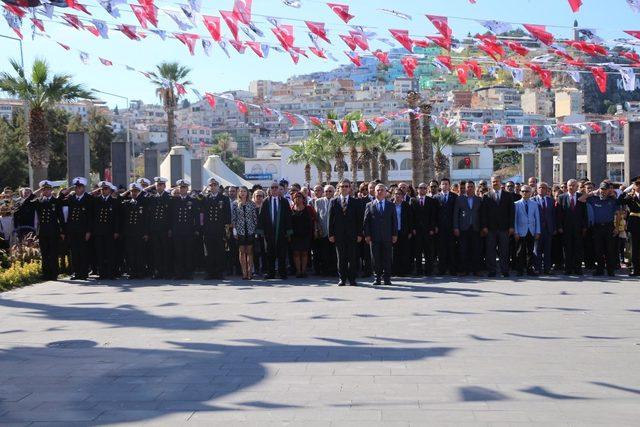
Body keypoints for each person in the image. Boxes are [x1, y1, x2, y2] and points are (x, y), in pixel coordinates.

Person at [579, 182, 622, 276]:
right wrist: (593, 192)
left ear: (608, 190)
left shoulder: (613, 200)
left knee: (609, 250)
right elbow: (581, 199)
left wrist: (617, 228)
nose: (603, 191)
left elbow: (618, 214)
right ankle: (600, 269)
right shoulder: (594, 199)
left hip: (609, 227)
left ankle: (610, 270)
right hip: (597, 227)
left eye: (605, 189)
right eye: (602, 189)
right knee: (598, 250)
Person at [329, 179, 363, 286]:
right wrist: (331, 234)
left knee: (352, 258)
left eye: (346, 186)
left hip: (352, 235)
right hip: (339, 235)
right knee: (341, 258)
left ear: (350, 188)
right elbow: (330, 220)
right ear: (338, 188)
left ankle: (352, 279)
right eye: (342, 186)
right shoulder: (334, 201)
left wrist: (359, 234)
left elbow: (359, 220)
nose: (344, 188)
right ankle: (342, 279)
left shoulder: (356, 202)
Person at [363, 184, 398, 286]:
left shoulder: (391, 205)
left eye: (382, 190)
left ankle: (387, 278)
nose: (380, 192)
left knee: (387, 258)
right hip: (374, 237)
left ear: (385, 192)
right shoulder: (369, 205)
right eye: (378, 190)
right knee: (376, 258)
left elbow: (394, 221)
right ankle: (377, 277)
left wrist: (394, 234)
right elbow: (366, 222)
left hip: (387, 236)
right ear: (375, 192)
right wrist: (367, 235)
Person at [257, 181, 293, 280]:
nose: (274, 189)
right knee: (270, 254)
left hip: (281, 232)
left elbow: (288, 217)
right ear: (269, 189)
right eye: (272, 188)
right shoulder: (265, 201)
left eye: (276, 188)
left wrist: (288, 232)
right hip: (269, 232)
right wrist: (260, 231)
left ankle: (282, 273)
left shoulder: (284, 201)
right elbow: (261, 217)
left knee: (282, 254)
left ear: (279, 189)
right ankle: (271, 273)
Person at [480, 176, 515, 277]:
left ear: (501, 183)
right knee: (490, 251)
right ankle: (492, 270)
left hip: (504, 228)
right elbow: (483, 213)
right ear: (491, 183)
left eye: (497, 181)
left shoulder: (508, 195)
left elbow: (511, 212)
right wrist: (484, 226)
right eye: (493, 182)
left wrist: (511, 226)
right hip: (490, 229)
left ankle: (505, 270)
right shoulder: (486, 196)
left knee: (504, 250)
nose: (495, 183)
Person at [60, 177, 93, 280]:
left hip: (83, 230)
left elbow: (91, 217)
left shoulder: (89, 198)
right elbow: (59, 202)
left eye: (80, 187)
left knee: (83, 252)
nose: (78, 189)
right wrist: (64, 193)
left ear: (83, 188)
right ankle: (76, 272)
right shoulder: (71, 198)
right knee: (74, 252)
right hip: (72, 229)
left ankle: (83, 273)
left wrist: (88, 231)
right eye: (76, 187)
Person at [31, 181, 63, 280]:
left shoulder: (56, 201)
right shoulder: (39, 201)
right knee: (44, 254)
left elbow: (61, 217)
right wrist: (36, 192)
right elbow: (27, 202)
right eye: (44, 189)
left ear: (51, 190)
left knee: (53, 253)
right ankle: (46, 274)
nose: (46, 191)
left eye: (48, 189)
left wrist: (62, 231)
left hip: (53, 231)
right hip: (43, 231)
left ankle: (54, 274)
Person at [201, 178, 231, 280]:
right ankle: (210, 272)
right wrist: (203, 192)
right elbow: (198, 204)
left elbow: (227, 214)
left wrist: (226, 228)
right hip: (208, 229)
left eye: (215, 185)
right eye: (211, 185)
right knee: (209, 252)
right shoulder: (205, 198)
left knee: (220, 251)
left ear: (218, 186)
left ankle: (219, 272)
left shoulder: (224, 198)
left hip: (219, 229)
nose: (213, 187)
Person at [557, 179, 588, 275]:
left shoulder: (581, 197)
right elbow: (559, 214)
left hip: (578, 228)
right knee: (567, 249)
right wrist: (559, 226)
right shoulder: (561, 197)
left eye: (573, 185)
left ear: (577, 187)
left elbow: (584, 213)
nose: (571, 187)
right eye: (569, 185)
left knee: (578, 249)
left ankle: (578, 269)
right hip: (566, 228)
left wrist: (584, 226)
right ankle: (568, 269)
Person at [170, 179, 198, 280]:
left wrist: (196, 229)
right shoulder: (174, 200)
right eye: (181, 187)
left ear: (187, 188)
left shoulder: (192, 200)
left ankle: (188, 273)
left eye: (184, 187)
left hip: (188, 230)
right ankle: (179, 273)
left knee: (188, 252)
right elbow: (171, 216)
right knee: (178, 252)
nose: (182, 189)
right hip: (177, 230)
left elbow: (196, 216)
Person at [453, 181, 482, 276]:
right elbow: (456, 214)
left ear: (474, 188)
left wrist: (482, 228)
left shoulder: (479, 199)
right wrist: (456, 227)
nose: (469, 188)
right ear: (465, 188)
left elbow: (481, 215)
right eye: (468, 187)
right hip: (463, 228)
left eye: (471, 187)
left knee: (476, 250)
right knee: (463, 250)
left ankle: (476, 270)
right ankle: (464, 270)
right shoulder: (459, 199)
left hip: (475, 228)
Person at [92, 181, 120, 280]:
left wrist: (116, 231)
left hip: (110, 232)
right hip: (99, 231)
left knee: (110, 253)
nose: (104, 191)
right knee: (100, 253)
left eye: (106, 189)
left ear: (110, 190)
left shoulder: (114, 201)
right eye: (102, 189)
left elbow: (117, 218)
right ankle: (102, 274)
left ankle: (111, 273)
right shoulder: (96, 201)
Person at [146, 177, 172, 279]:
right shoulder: (152, 197)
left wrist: (170, 229)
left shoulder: (168, 197)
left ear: (164, 186)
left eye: (161, 185)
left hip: (165, 229)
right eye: (157, 185)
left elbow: (171, 215)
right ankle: (158, 271)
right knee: (156, 251)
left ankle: (166, 272)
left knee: (165, 251)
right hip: (155, 229)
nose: (159, 187)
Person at [120, 182, 148, 279]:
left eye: (136, 191)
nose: (134, 193)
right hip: (129, 233)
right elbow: (118, 199)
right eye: (132, 191)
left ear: (139, 192)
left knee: (140, 253)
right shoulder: (127, 203)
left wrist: (145, 233)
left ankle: (141, 272)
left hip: (140, 233)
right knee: (130, 254)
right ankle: (132, 272)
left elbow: (146, 220)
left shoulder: (144, 203)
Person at [514, 185, 541, 276]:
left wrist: (537, 231)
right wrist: (516, 232)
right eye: (523, 191)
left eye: (527, 191)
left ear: (531, 193)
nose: (525, 193)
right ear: (521, 192)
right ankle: (520, 270)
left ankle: (530, 269)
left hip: (531, 230)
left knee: (530, 251)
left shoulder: (534, 204)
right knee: (520, 252)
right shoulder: (516, 204)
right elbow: (515, 219)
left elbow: (537, 218)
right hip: (521, 231)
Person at [232, 186, 258, 280]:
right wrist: (234, 230)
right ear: (238, 193)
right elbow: (233, 218)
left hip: (250, 229)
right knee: (242, 251)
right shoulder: (235, 204)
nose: (242, 193)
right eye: (241, 191)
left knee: (250, 251)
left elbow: (255, 217)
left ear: (247, 193)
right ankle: (244, 273)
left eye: (244, 191)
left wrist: (256, 230)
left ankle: (250, 272)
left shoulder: (252, 204)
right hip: (240, 230)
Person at [411, 182, 437, 276]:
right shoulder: (413, 200)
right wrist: (413, 228)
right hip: (417, 230)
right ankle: (418, 270)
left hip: (428, 230)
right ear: (418, 189)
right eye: (421, 188)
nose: (422, 190)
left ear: (427, 190)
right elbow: (411, 215)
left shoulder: (431, 200)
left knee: (428, 251)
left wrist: (432, 228)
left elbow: (433, 216)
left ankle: (429, 270)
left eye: (424, 188)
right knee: (417, 251)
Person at [532, 182, 556, 275]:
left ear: (547, 190)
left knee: (547, 250)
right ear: (537, 189)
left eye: (544, 188)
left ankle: (547, 268)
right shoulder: (532, 200)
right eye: (540, 187)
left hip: (548, 229)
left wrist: (554, 228)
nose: (541, 189)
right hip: (537, 229)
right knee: (536, 250)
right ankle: (537, 268)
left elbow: (553, 216)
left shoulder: (551, 200)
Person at [435, 178, 458, 275]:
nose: (444, 186)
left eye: (446, 184)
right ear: (440, 186)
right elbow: (434, 213)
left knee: (452, 249)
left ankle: (452, 269)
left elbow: (456, 212)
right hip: (440, 228)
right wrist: (435, 226)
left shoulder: (454, 196)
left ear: (449, 185)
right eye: (443, 184)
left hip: (451, 227)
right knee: (441, 249)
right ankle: (442, 269)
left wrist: (456, 226)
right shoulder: (436, 197)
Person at [313, 185, 336, 276]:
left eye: (330, 191)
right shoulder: (318, 202)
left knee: (333, 253)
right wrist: (317, 228)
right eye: (326, 191)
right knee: (324, 253)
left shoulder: (336, 201)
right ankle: (325, 271)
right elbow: (317, 217)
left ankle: (334, 270)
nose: (328, 193)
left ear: (333, 192)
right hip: (323, 232)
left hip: (334, 233)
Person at [290, 192, 315, 278]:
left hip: (306, 235)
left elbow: (315, 219)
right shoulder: (291, 209)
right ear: (293, 199)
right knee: (296, 253)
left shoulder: (308, 208)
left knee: (304, 253)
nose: (297, 198)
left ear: (303, 198)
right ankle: (298, 271)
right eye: (295, 197)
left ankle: (303, 271)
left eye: (299, 197)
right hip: (295, 235)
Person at [392, 188, 413, 276]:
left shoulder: (406, 205)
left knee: (404, 252)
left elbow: (410, 219)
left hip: (404, 232)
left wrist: (410, 231)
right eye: (396, 194)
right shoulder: (390, 205)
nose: (398, 195)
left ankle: (403, 271)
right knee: (394, 252)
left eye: (399, 194)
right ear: (393, 195)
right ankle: (394, 270)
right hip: (393, 233)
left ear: (402, 196)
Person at [622, 176, 640, 276]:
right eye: (637, 184)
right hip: (634, 224)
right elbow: (620, 201)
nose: (639, 186)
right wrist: (626, 190)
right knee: (634, 248)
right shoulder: (630, 196)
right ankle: (635, 269)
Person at [252, 189, 267, 276]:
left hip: (264, 232)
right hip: (253, 232)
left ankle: (265, 269)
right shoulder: (251, 207)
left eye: (260, 196)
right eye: (257, 196)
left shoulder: (266, 206)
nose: (259, 197)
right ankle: (256, 269)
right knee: (255, 252)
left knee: (264, 251)